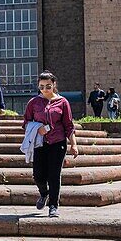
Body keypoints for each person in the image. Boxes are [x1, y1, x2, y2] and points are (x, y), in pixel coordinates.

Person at [24, 72, 79, 218]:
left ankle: (53, 206)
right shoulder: (33, 103)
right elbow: (26, 122)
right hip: (39, 143)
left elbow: (68, 125)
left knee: (54, 175)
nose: (45, 89)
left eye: (48, 86)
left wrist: (74, 144)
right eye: (41, 86)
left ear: (54, 85)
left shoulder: (62, 102)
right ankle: (44, 193)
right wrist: (37, 128)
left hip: (58, 143)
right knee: (38, 176)